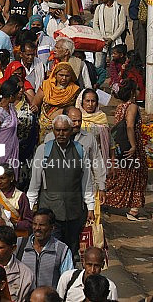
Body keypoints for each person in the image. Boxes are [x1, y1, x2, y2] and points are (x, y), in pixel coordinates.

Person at [27, 114, 95, 256]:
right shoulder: (43, 150)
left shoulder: (80, 150)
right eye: (57, 130)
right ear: (53, 130)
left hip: (74, 211)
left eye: (64, 130)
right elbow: (35, 183)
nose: (61, 134)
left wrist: (90, 207)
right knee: (52, 251)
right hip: (50, 212)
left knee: (71, 251)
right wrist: (29, 207)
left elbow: (87, 181)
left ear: (71, 130)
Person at [103, 79, 148, 220]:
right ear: (133, 92)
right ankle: (133, 210)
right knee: (136, 176)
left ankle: (105, 200)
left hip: (121, 146)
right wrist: (134, 146)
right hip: (130, 146)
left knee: (122, 176)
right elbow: (129, 126)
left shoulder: (121, 106)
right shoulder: (132, 107)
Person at [16, 209, 74, 289]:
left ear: (52, 227)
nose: (37, 228)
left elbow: (68, 280)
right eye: (34, 224)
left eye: (42, 225)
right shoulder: (19, 245)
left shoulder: (62, 250)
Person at [31, 63, 81, 141]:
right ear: (55, 74)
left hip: (63, 128)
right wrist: (35, 107)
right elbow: (35, 102)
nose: (64, 78)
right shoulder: (46, 86)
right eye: (61, 75)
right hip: (43, 127)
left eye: (67, 76)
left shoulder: (74, 90)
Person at [0, 165, 33, 238]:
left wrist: (11, 224)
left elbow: (29, 223)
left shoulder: (20, 196)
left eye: (2, 178)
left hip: (14, 236)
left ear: (11, 178)